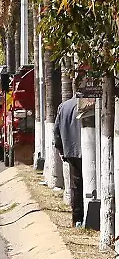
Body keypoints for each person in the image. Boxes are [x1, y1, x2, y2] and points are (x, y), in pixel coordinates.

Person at [54, 92, 84, 227]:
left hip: (71, 151)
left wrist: (62, 150)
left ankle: (77, 218)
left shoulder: (64, 106)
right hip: (90, 149)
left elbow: (56, 132)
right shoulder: (92, 104)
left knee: (76, 185)